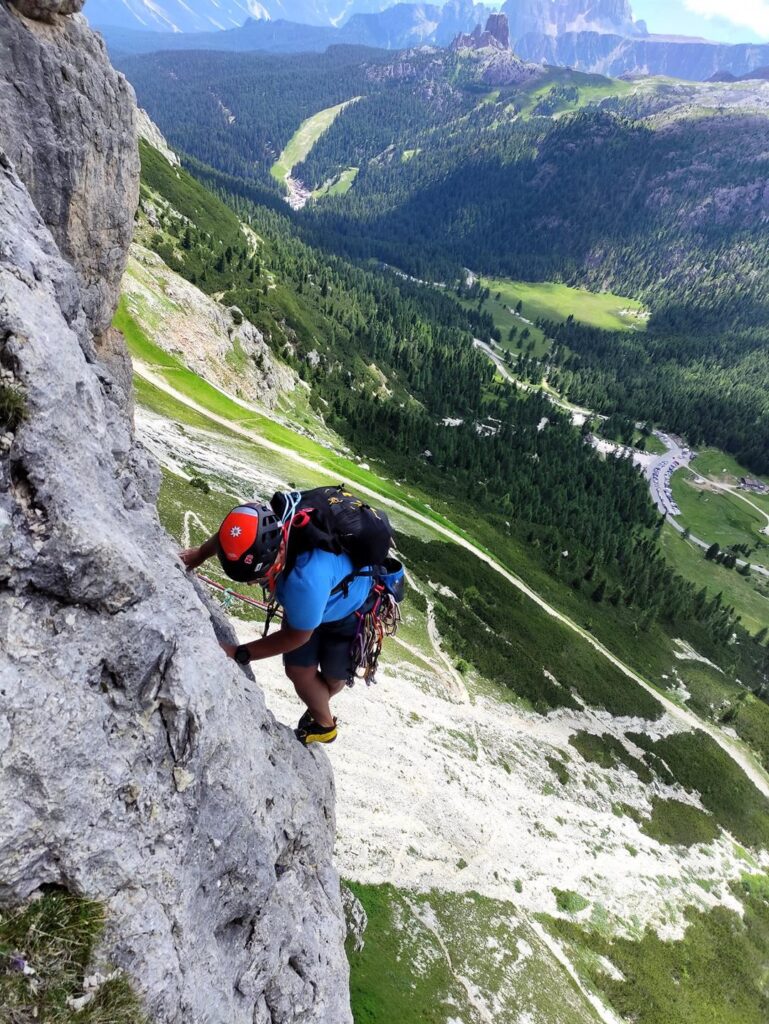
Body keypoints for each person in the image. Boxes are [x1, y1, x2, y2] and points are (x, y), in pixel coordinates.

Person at [179, 501, 375, 745]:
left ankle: (324, 725)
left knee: (334, 677)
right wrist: (199, 555)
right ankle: (320, 709)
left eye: (258, 577)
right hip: (324, 597)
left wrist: (240, 653)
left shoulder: (303, 582)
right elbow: (230, 536)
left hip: (349, 610)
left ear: (279, 554)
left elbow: (298, 636)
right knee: (299, 672)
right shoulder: (263, 525)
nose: (252, 584)